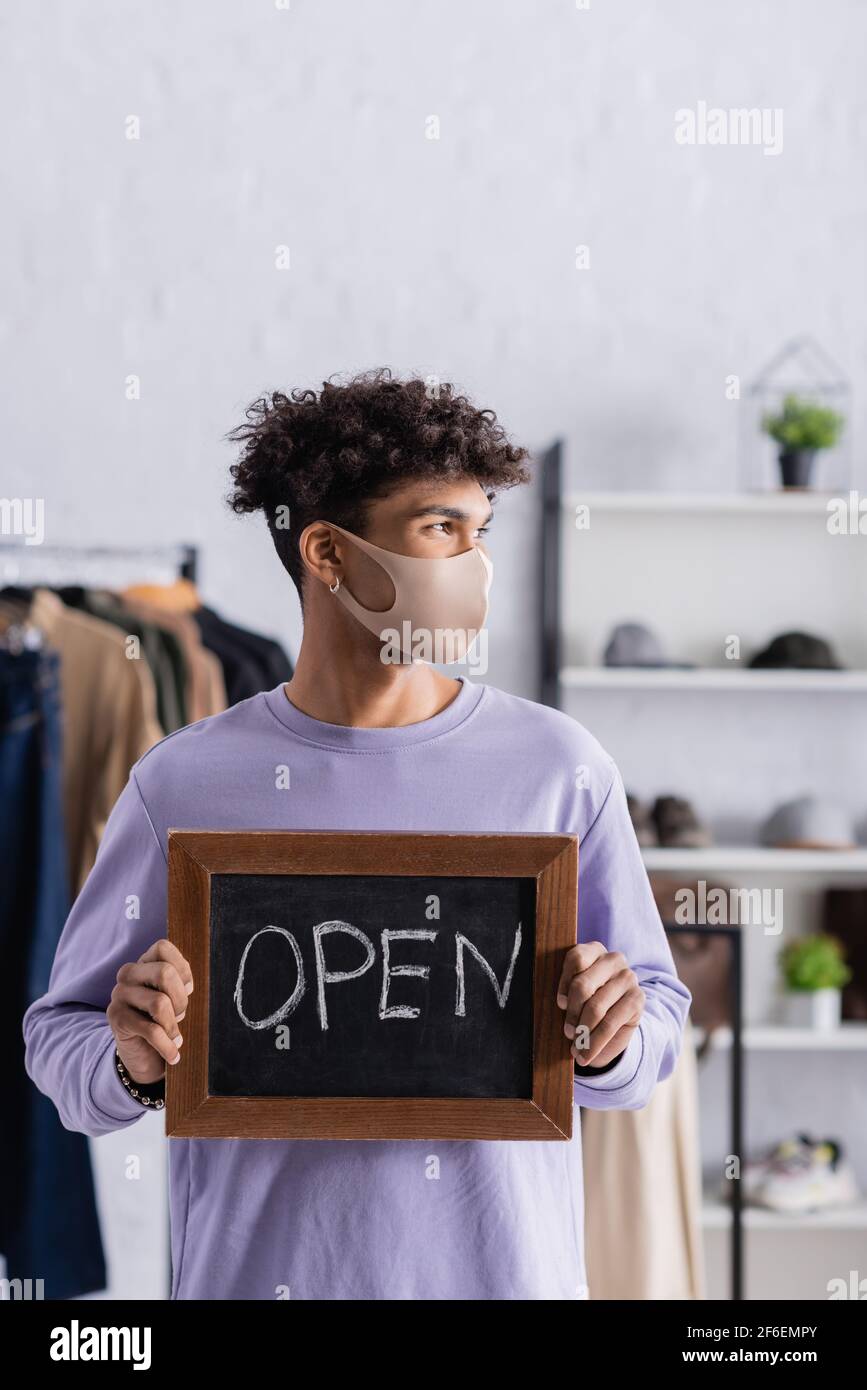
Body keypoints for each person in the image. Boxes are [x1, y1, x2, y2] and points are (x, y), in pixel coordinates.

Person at [24, 369, 690, 1301]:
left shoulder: (557, 766)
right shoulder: (182, 781)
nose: (475, 561)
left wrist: (614, 1037)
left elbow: (654, 1026)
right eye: (439, 529)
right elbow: (58, 1039)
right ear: (328, 554)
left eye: (480, 530)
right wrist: (127, 1061)